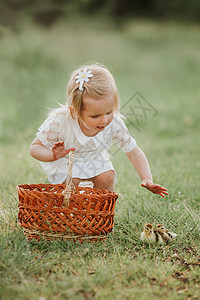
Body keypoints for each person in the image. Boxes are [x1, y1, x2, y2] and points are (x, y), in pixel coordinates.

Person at [29, 63, 168, 197]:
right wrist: (53, 155)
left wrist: (147, 178)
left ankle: (99, 212)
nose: (104, 120)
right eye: (95, 116)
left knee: (107, 177)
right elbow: (35, 147)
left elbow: (134, 153)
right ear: (74, 111)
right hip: (65, 160)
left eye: (109, 112)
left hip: (94, 158)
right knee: (72, 180)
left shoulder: (114, 123)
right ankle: (71, 212)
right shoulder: (60, 122)